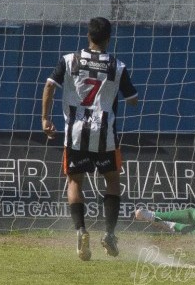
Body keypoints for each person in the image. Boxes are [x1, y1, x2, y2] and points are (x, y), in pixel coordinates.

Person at [42, 17, 138, 260]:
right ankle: (109, 233)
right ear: (108, 38)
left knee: (75, 182)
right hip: (105, 134)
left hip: (75, 132)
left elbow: (50, 85)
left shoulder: (69, 60)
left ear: (88, 36)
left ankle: (81, 231)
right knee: (113, 181)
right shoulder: (117, 65)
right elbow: (132, 99)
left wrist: (45, 118)